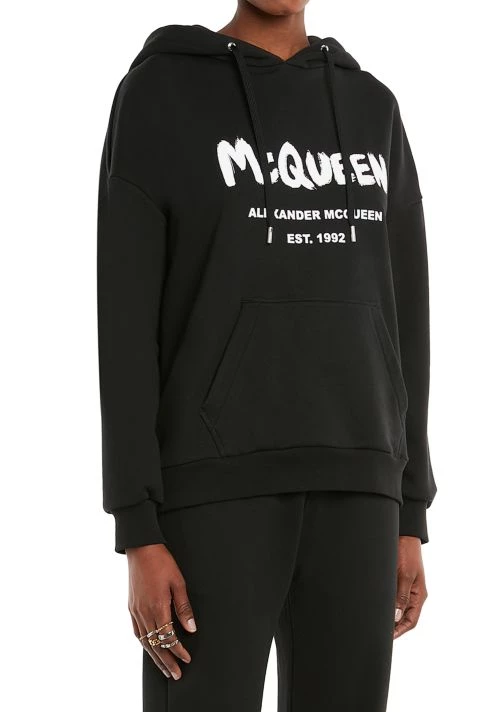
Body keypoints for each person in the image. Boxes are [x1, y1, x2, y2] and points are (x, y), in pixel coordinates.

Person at [97, 1, 437, 710]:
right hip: (212, 488)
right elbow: (125, 324)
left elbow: (406, 313)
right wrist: (137, 525)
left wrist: (410, 509)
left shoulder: (373, 108)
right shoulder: (160, 93)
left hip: (359, 486)